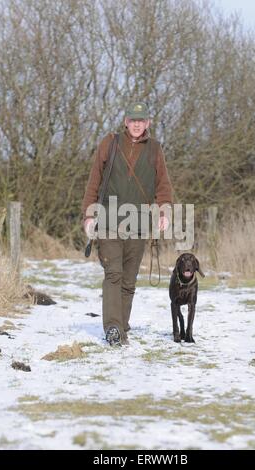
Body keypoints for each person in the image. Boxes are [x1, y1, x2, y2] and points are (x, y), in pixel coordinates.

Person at [82, 101, 173, 346]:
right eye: (133, 120)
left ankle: (120, 326)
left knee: (129, 280)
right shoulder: (110, 143)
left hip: (139, 222)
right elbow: (94, 180)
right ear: (126, 121)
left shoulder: (155, 149)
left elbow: (163, 184)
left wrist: (164, 210)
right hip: (109, 220)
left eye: (141, 120)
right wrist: (88, 214)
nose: (136, 124)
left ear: (147, 123)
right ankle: (112, 328)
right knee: (114, 273)